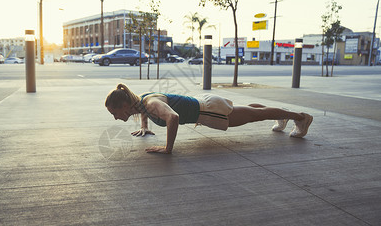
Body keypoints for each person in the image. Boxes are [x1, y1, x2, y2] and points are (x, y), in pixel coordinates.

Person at [105, 83, 313, 154]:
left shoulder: (151, 104)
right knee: (251, 111)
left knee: (254, 115)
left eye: (114, 113)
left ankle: (301, 117)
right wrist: (144, 126)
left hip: (208, 111)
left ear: (124, 105)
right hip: (205, 104)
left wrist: (168, 149)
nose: (115, 118)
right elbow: (142, 110)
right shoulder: (141, 102)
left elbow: (173, 117)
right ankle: (282, 115)